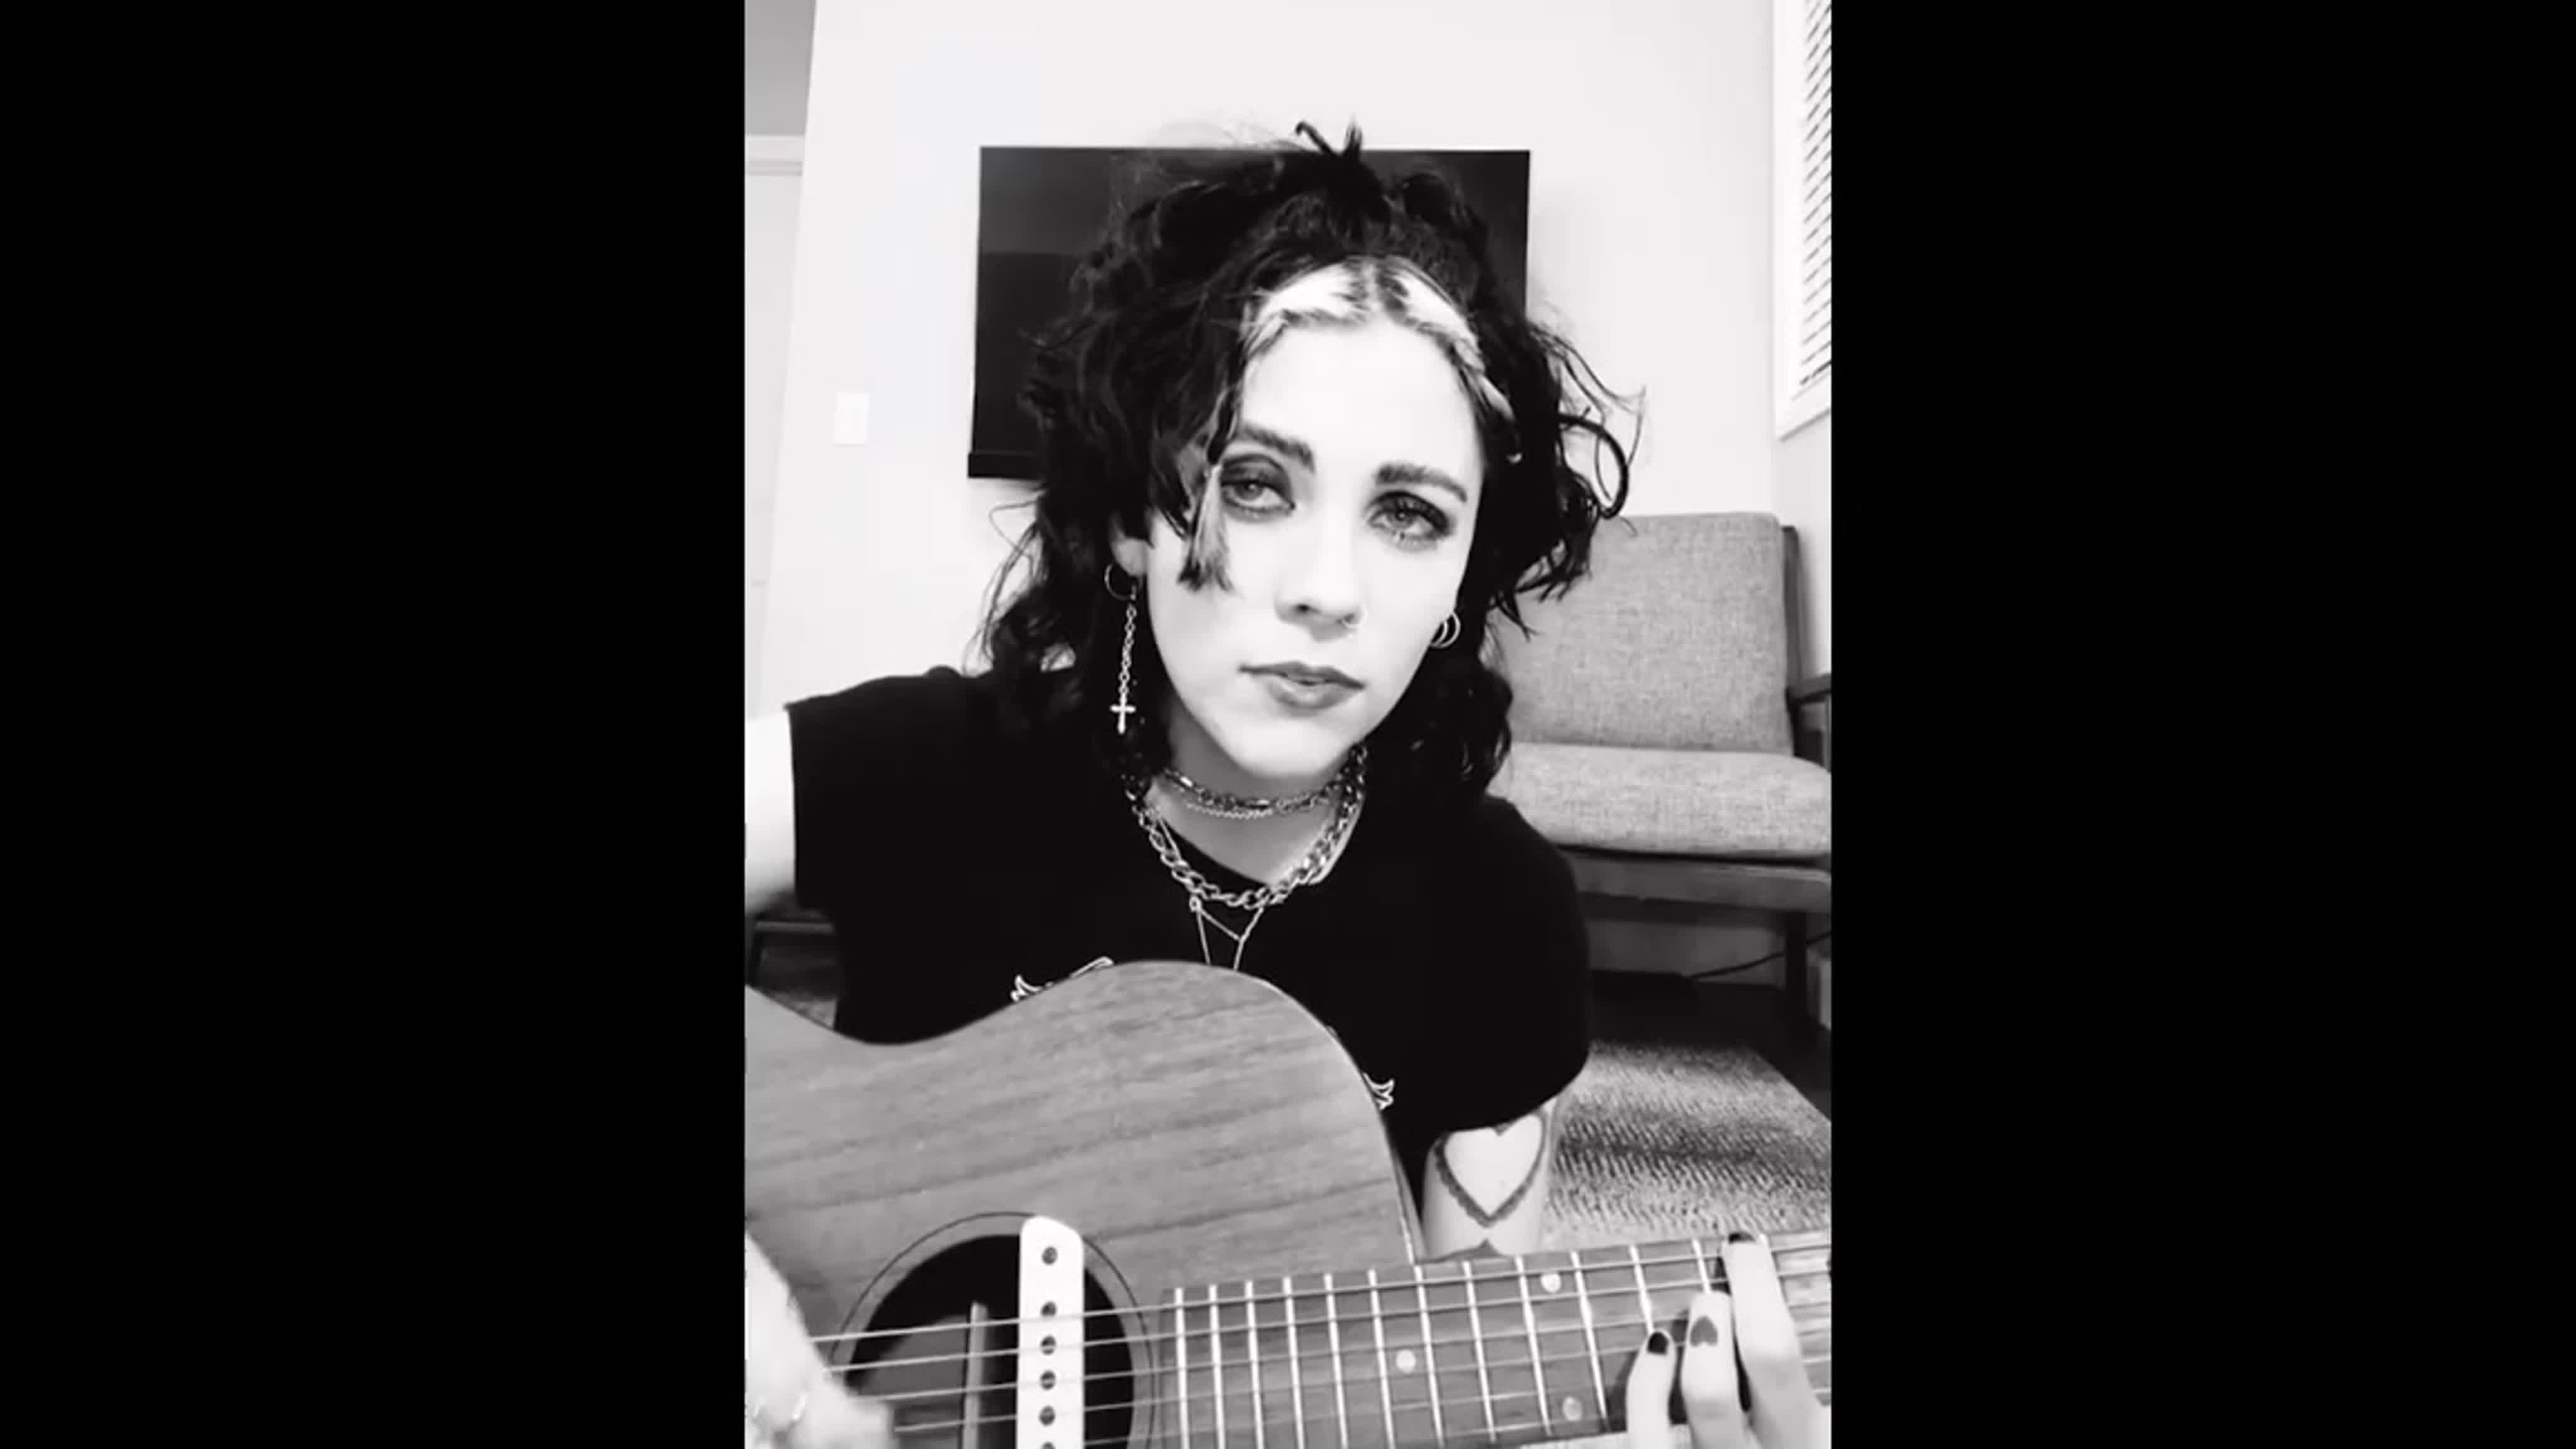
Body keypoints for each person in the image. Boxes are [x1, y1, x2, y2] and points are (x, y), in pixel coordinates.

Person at [743, 122, 1826, 1448]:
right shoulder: (928, 764)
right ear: (1135, 519)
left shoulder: (1498, 909)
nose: (1328, 588)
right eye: (1256, 486)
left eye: (1409, 514)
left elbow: (1455, 1377)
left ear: (1461, 575)